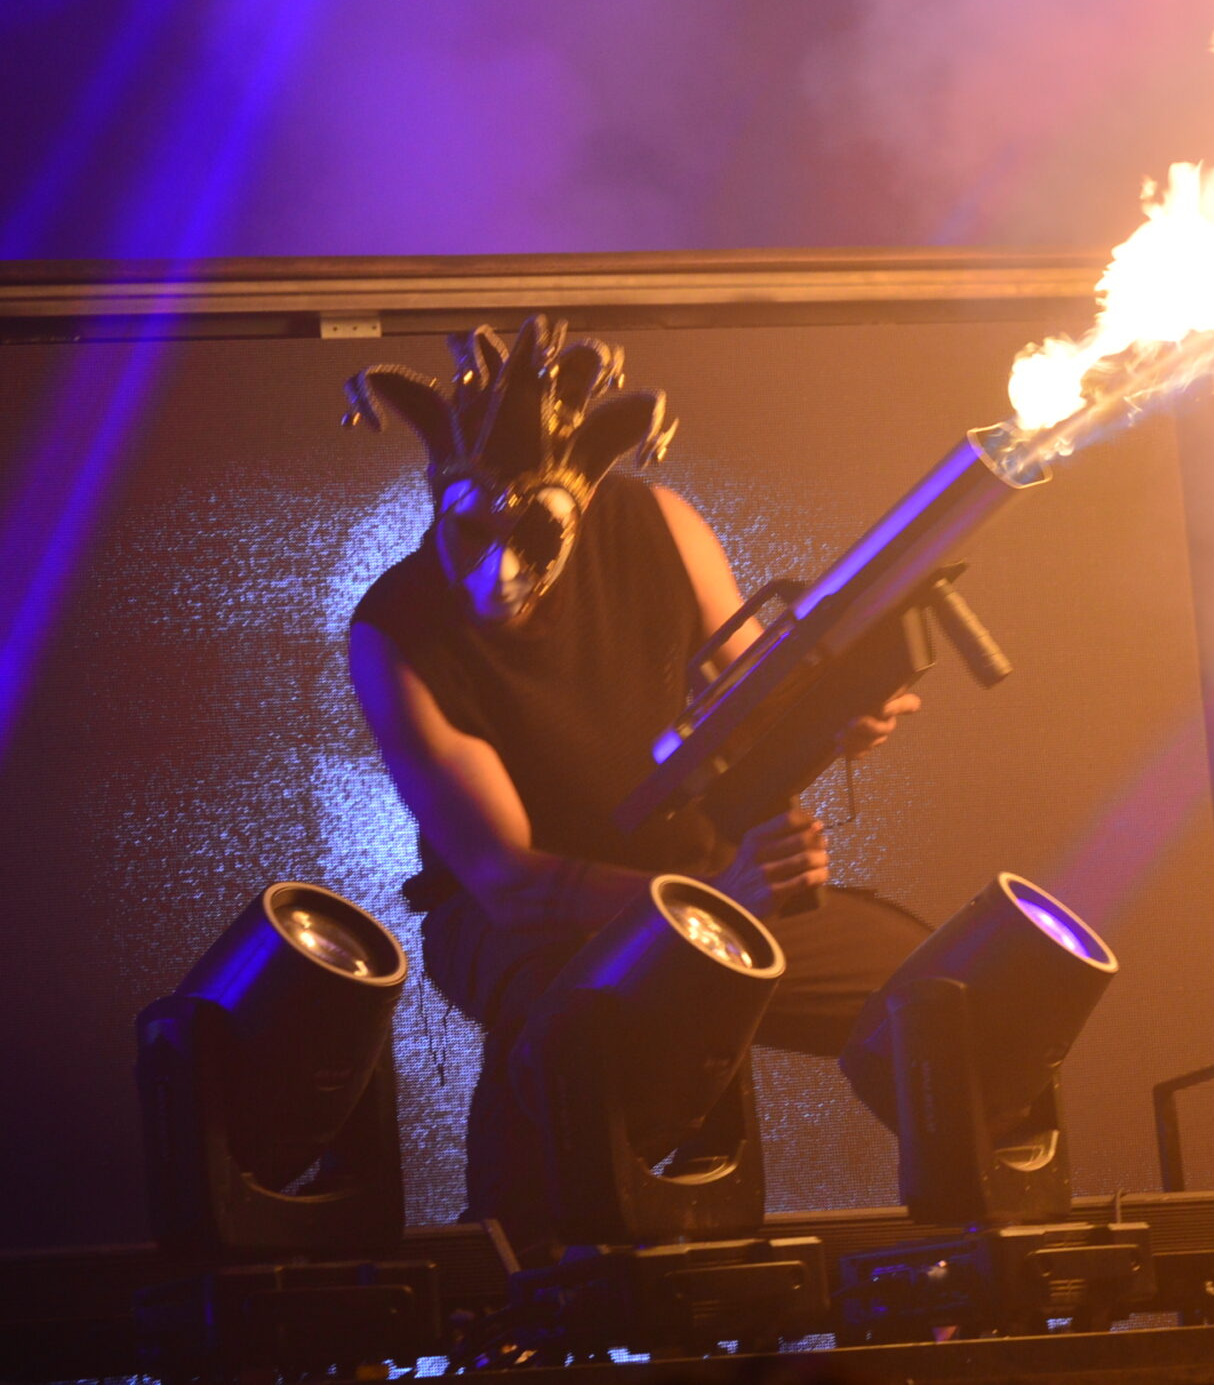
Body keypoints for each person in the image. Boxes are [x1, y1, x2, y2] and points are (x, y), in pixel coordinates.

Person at [341, 316, 929, 1248]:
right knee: (574, 1027)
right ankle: (519, 1286)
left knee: (943, 992)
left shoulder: (661, 526)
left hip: (707, 881)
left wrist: (836, 716)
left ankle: (968, 1261)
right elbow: (511, 879)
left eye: (531, 530)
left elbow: (754, 700)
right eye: (469, 529)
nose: (496, 571)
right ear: (439, 500)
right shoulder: (395, 633)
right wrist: (704, 906)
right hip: (514, 922)